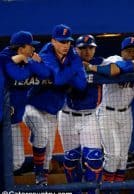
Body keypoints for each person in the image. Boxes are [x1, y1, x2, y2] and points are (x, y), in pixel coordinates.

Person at [23, 24, 87, 185]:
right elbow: (58, 80)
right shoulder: (46, 53)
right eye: (61, 41)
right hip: (33, 105)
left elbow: (82, 84)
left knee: (48, 154)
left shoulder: (72, 54)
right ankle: (38, 174)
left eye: (68, 42)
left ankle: (42, 179)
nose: (65, 45)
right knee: (42, 134)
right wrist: (73, 69)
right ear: (53, 41)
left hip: (53, 110)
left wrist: (68, 71)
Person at [91, 37, 134, 186]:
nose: (132, 53)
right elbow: (104, 67)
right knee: (113, 155)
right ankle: (106, 189)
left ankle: (115, 189)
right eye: (129, 51)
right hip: (107, 113)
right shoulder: (112, 59)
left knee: (122, 158)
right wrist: (133, 66)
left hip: (126, 114)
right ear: (122, 52)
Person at [57, 34, 104, 193]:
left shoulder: (100, 63)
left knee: (95, 158)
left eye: (90, 47)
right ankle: (76, 191)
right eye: (83, 48)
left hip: (90, 117)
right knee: (71, 158)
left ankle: (91, 191)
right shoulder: (66, 64)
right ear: (75, 49)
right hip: (67, 116)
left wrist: (92, 68)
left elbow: (121, 67)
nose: (87, 51)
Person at [0, 31, 50, 173]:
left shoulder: (28, 58)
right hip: (2, 121)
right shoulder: (3, 58)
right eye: (30, 46)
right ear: (20, 48)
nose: (33, 49)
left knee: (16, 162)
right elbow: (18, 75)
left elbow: (46, 72)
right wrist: (30, 64)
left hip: (14, 122)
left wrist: (30, 61)